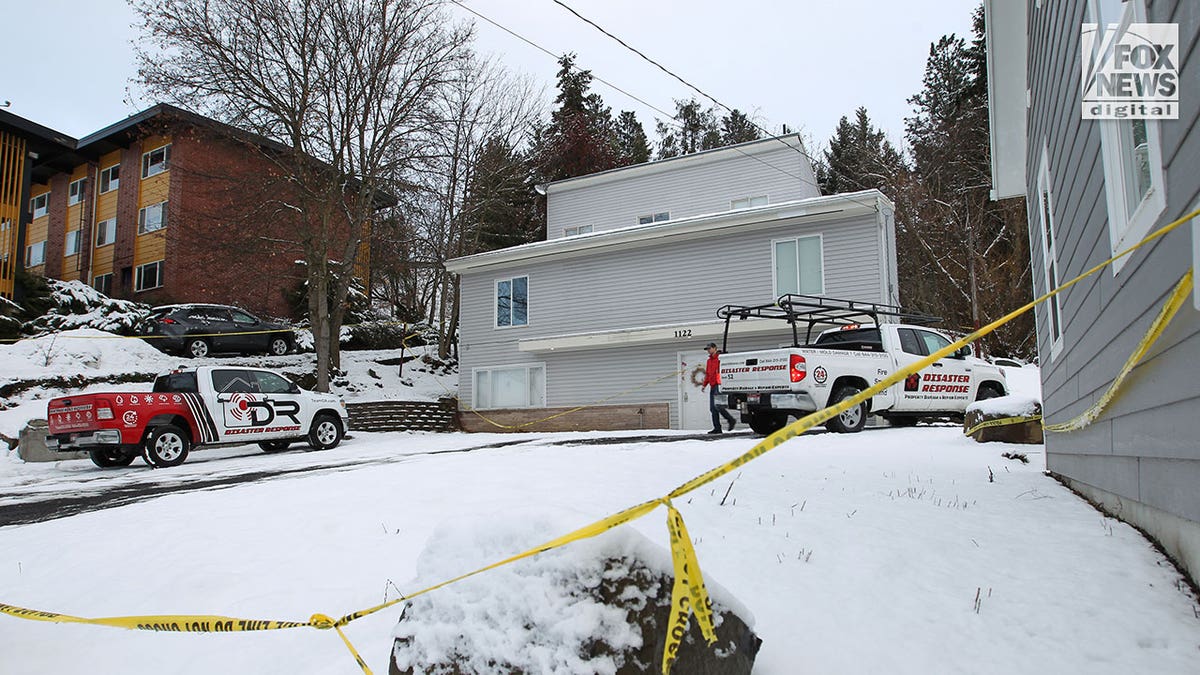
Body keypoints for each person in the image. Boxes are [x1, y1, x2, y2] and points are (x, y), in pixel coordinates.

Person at [701, 342, 737, 434]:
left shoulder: (720, 358)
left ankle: (730, 420)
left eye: (709, 349)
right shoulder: (709, 361)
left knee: (718, 406)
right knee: (713, 408)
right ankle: (717, 428)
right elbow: (708, 374)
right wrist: (704, 384)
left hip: (719, 384)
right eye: (707, 349)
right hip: (713, 385)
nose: (708, 351)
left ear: (715, 348)